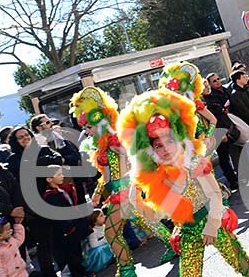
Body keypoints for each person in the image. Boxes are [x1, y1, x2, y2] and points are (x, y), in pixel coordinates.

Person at [117, 88, 249, 277]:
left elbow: (215, 194)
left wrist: (212, 225)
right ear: (150, 151)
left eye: (169, 141)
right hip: (187, 230)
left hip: (211, 218)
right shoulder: (158, 181)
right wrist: (136, 200)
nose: (166, 149)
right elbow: (155, 216)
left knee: (240, 260)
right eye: (158, 145)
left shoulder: (193, 164)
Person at [69, 87, 176, 277]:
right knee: (146, 221)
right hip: (120, 192)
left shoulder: (113, 141)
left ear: (99, 122)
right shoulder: (102, 144)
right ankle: (173, 245)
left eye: (88, 126)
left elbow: (133, 158)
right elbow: (108, 173)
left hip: (124, 191)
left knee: (111, 232)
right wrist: (98, 192)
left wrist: (132, 181)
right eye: (84, 127)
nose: (86, 131)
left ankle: (127, 269)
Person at [7, 125, 64, 277]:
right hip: (33, 206)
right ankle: (49, 273)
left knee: (61, 236)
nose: (25, 138)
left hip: (53, 199)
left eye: (27, 135)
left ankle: (67, 268)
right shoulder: (13, 159)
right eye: (21, 137)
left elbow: (58, 159)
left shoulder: (43, 149)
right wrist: (44, 163)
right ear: (15, 142)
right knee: (44, 242)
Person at [41, 165, 89, 277]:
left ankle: (82, 273)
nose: (62, 176)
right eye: (58, 174)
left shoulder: (63, 190)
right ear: (49, 179)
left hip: (73, 227)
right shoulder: (50, 196)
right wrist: (69, 227)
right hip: (65, 232)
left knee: (78, 253)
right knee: (72, 258)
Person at [203, 73, 242, 191]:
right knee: (223, 157)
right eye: (204, 86)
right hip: (217, 131)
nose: (207, 88)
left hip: (226, 125)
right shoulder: (203, 102)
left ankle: (238, 176)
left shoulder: (214, 95)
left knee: (233, 152)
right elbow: (210, 121)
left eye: (206, 85)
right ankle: (232, 181)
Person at [83, 209, 114, 273]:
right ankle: (102, 262)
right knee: (100, 250)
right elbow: (94, 245)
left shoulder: (105, 226)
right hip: (95, 251)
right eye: (101, 216)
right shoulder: (93, 231)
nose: (104, 216)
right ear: (94, 221)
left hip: (105, 244)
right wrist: (107, 238)